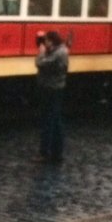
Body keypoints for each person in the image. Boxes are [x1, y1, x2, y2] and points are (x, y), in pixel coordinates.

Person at [34, 30, 68, 164]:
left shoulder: (59, 53)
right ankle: (55, 152)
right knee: (54, 120)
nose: (45, 43)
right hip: (52, 88)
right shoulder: (59, 51)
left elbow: (41, 63)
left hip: (52, 89)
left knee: (49, 121)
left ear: (52, 40)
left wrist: (41, 52)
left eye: (46, 40)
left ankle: (47, 152)